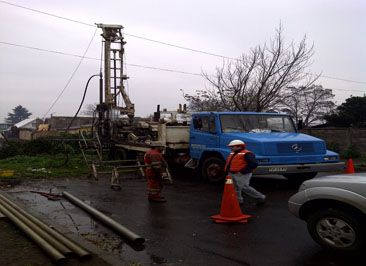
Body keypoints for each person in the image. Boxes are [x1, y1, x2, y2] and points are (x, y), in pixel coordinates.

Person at [224, 139, 266, 206]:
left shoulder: (247, 153)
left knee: (244, 187)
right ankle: (238, 201)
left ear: (239, 146)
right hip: (232, 173)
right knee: (235, 188)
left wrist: (243, 171)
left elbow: (254, 163)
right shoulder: (233, 153)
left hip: (241, 174)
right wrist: (227, 171)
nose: (230, 148)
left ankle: (260, 197)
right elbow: (229, 163)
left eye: (232, 147)